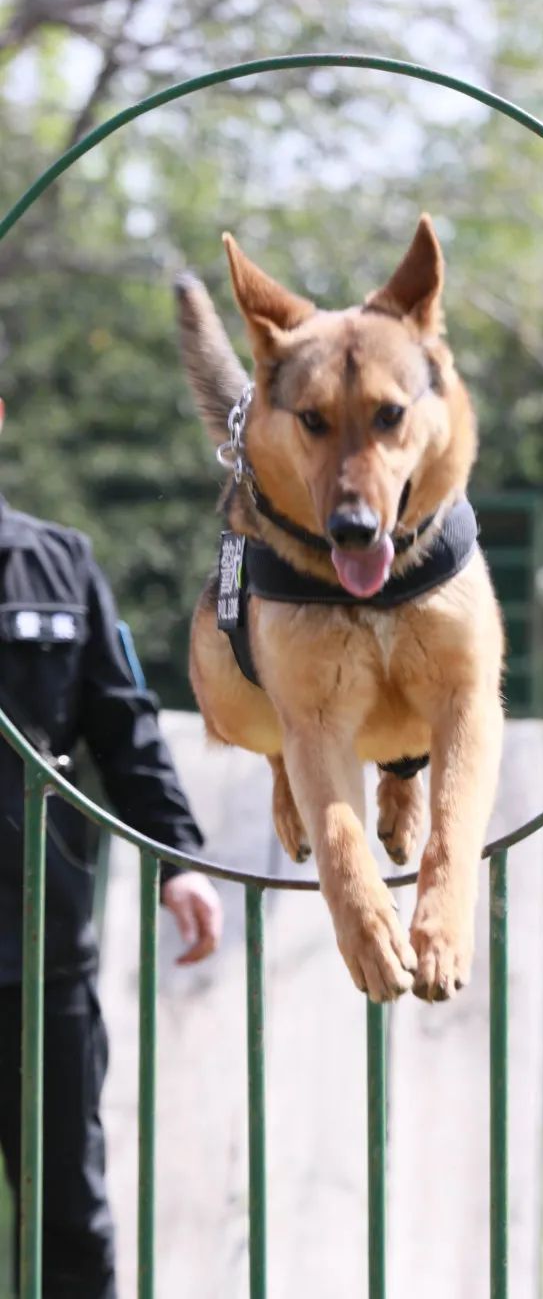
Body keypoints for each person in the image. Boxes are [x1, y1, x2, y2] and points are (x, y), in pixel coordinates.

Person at [0, 397, 222, 1297]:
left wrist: (181, 860)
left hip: (41, 949)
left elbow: (124, 726)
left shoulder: (59, 562)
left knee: (69, 1222)